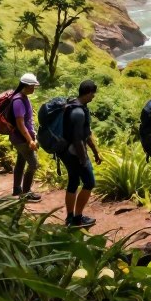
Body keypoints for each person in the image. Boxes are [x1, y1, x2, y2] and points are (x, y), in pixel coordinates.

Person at [58, 79, 103, 227]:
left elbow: (87, 134)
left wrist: (96, 152)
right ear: (89, 92)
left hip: (65, 151)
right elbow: (78, 139)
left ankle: (70, 217)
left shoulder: (73, 105)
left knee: (73, 182)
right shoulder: (78, 112)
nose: (94, 97)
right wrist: (84, 159)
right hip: (74, 153)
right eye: (93, 94)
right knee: (89, 182)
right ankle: (77, 218)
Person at [10, 72, 42, 201]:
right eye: (32, 86)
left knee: (21, 161)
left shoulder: (24, 97)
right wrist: (30, 140)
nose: (34, 89)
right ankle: (26, 192)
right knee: (34, 164)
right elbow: (20, 124)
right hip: (22, 139)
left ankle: (17, 189)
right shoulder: (18, 101)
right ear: (26, 86)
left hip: (20, 138)